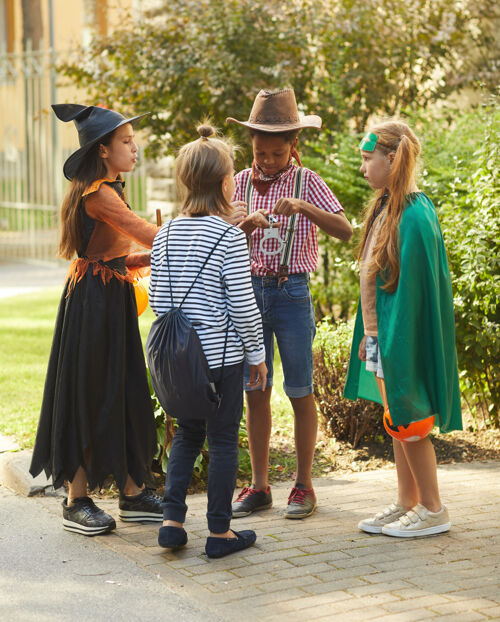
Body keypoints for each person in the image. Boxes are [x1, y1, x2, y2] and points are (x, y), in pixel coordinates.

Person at [30, 103, 163, 535]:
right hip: (93, 303)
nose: (134, 147)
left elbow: (122, 255)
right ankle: (76, 501)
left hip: (111, 296)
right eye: (126, 141)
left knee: (122, 389)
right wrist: (204, 227)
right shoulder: (99, 194)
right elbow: (145, 232)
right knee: (90, 394)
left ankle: (133, 492)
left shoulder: (109, 187)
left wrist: (153, 253)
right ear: (103, 150)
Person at [227, 88, 353, 520]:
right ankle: (260, 486)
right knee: (254, 390)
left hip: (291, 293)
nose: (267, 161)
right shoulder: (239, 182)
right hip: (249, 294)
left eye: (277, 153)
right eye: (260, 152)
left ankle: (303, 484)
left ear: (292, 147)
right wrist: (241, 226)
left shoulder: (308, 181)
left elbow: (344, 230)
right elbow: (219, 237)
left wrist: (302, 207)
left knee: (300, 389)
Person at [149, 123, 268, 559]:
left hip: (176, 360)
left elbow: (159, 302)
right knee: (220, 441)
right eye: (233, 172)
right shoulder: (229, 236)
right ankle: (220, 534)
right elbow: (242, 305)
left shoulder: (164, 235)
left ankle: (171, 522)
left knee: (185, 437)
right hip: (219, 359)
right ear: (224, 182)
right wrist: (257, 355)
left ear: (184, 181)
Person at [344, 119, 462, 537]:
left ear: (391, 158)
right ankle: (406, 502)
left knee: (410, 423)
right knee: (396, 422)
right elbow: (376, 283)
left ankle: (433, 509)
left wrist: (394, 343)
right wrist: (370, 335)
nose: (362, 168)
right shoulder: (384, 206)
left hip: (401, 341)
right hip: (383, 338)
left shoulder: (414, 214)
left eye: (366, 158)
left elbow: (415, 297)